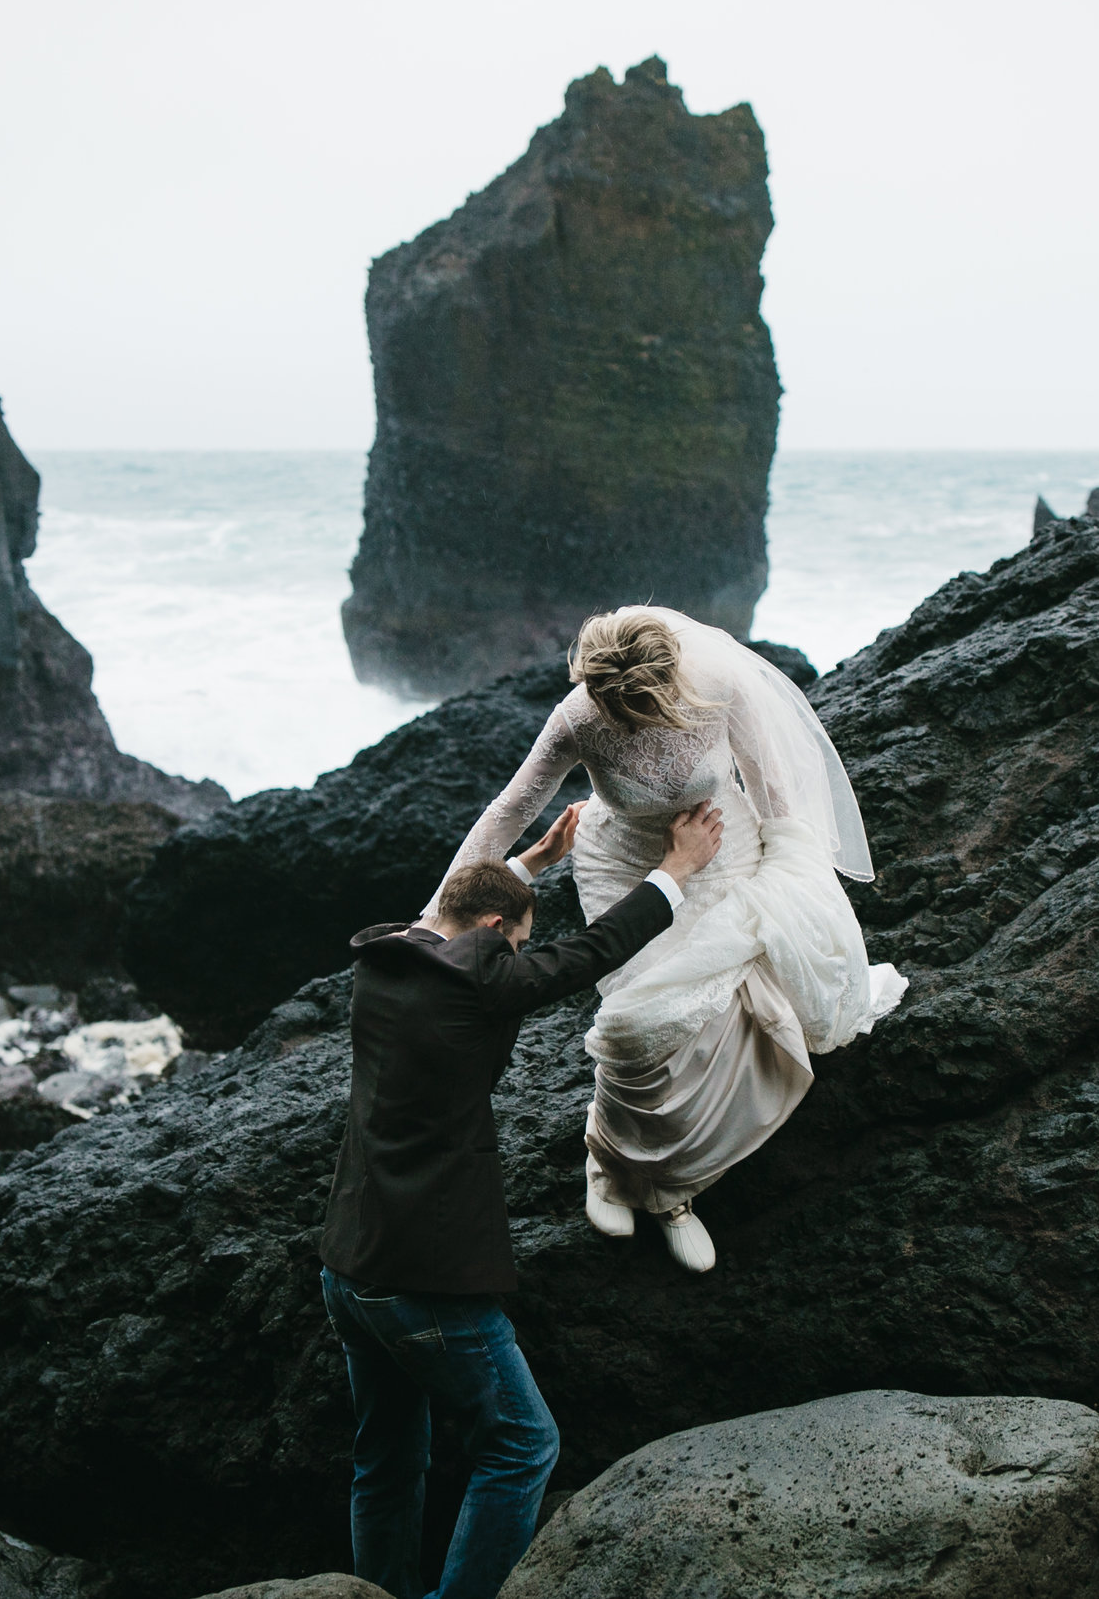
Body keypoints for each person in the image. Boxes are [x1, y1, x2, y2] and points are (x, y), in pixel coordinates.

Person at [320, 800, 724, 1599]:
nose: (519, 954)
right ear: (498, 929)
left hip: (347, 1268)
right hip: (423, 1279)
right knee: (521, 1445)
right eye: (518, 940)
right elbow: (592, 951)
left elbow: (452, 908)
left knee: (388, 1459)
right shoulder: (481, 983)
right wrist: (675, 871)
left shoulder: (385, 959)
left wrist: (532, 863)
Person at [431, 605, 907, 1274]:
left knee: (722, 1015)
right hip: (622, 864)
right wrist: (439, 915)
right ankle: (609, 1161)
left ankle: (672, 1190)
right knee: (639, 1024)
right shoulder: (577, 716)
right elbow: (510, 808)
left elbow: (772, 787)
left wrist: (788, 873)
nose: (622, 723)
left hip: (722, 846)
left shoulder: (720, 686)